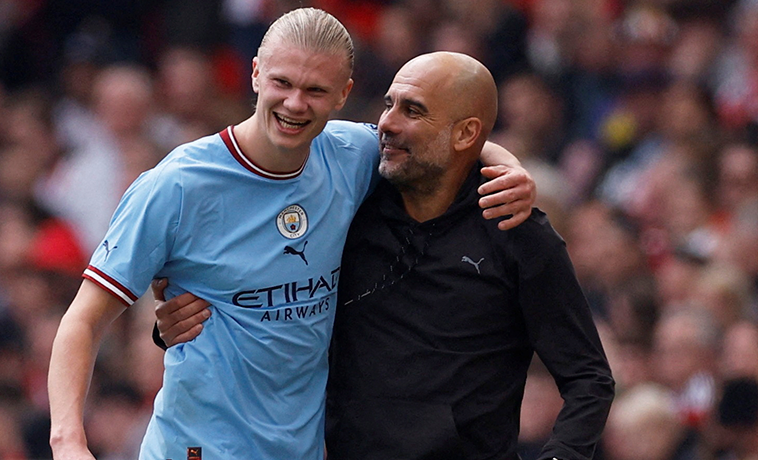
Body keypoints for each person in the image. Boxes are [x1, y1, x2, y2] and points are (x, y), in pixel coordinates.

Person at [47, 8, 536, 460]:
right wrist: (69, 441)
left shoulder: (351, 155)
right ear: (256, 72)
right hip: (198, 448)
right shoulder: (177, 186)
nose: (295, 104)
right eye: (282, 82)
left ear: (344, 94)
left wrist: (510, 168)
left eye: (316, 91)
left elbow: (441, 141)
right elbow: (82, 322)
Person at [157, 51, 615, 460]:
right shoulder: (350, 206)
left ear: (465, 134)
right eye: (389, 104)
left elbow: (589, 379)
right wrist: (180, 321)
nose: (388, 123)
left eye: (412, 110)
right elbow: (269, 300)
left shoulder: (514, 230)